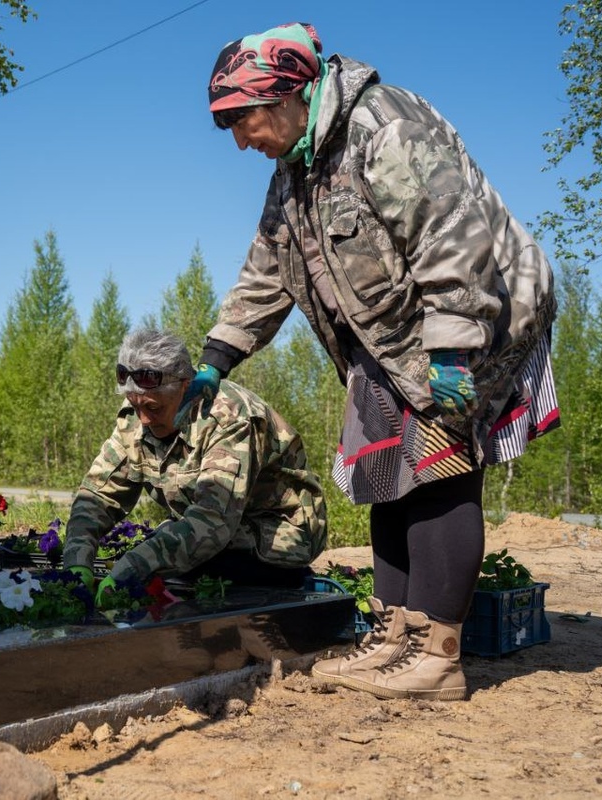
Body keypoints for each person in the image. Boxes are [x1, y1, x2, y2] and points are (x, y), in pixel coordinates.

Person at [182, 22, 560, 701]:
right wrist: (216, 359)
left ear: (290, 93)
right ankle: (393, 640)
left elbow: (454, 240)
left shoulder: (386, 127)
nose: (240, 139)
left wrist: (450, 355)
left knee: (438, 469)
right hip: (388, 341)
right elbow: (265, 273)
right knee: (383, 473)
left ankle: (438, 655)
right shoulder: (294, 173)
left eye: (244, 119)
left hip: (471, 319)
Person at [63, 328, 328, 601]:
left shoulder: (229, 417)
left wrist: (133, 568)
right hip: (220, 531)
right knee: (166, 558)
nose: (143, 420)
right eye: (135, 405)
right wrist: (77, 564)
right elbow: (96, 496)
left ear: (185, 387)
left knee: (175, 568)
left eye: (154, 409)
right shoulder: (138, 414)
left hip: (278, 534)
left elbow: (213, 522)